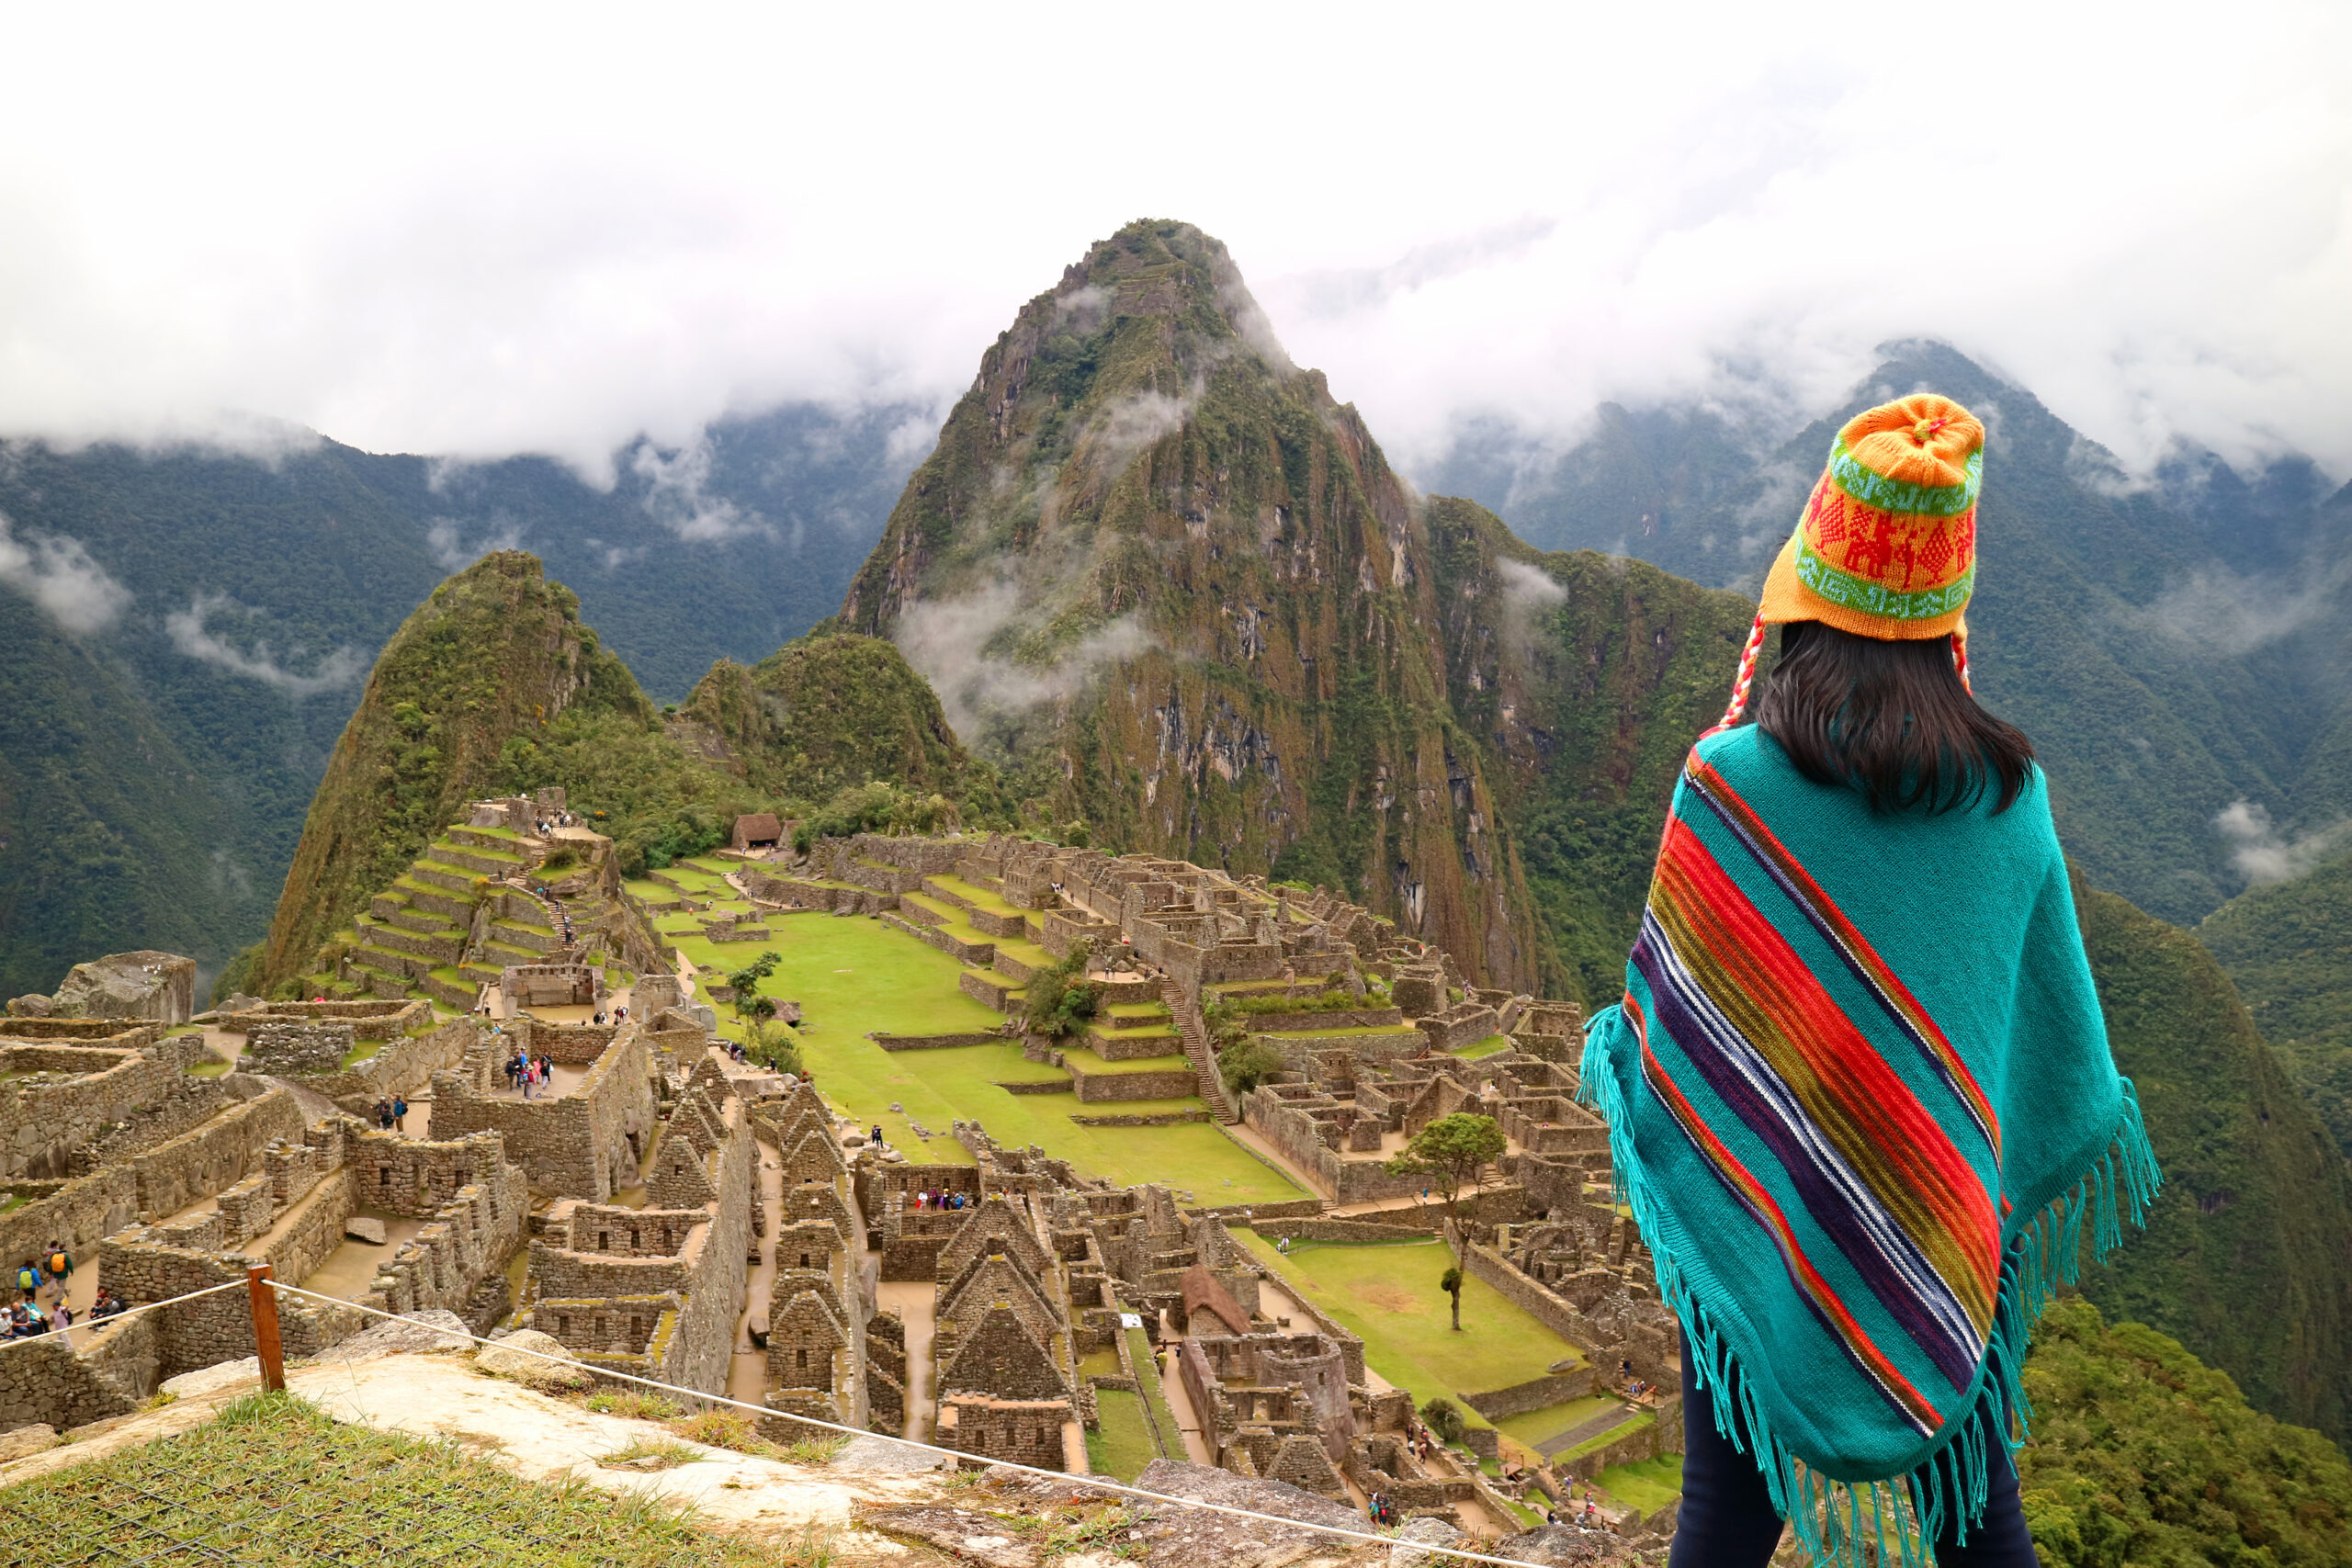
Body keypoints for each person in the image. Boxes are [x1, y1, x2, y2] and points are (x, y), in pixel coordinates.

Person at [1577, 397, 2159, 1568]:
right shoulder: (2008, 797)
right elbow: (2040, 1048)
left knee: (1723, 1512)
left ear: (1808, 595)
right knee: (1978, 1513)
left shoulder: (1728, 783)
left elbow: (1671, 1037)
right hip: (1946, 1217)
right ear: (1947, 610)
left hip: (1767, 1209)